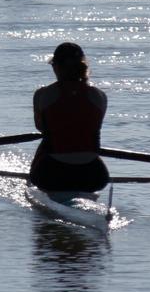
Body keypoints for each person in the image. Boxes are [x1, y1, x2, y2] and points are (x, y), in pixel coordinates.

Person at [30, 42, 109, 193]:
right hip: (94, 175)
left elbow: (40, 127)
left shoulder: (43, 94)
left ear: (55, 66)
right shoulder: (99, 96)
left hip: (51, 174)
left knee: (46, 144)